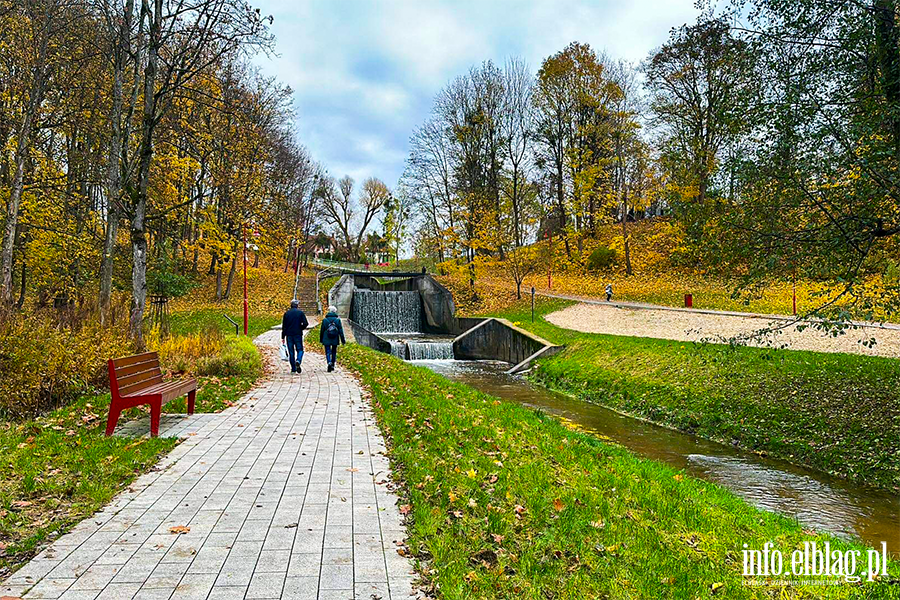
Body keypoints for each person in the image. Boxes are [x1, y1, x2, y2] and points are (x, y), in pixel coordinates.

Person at [282, 299, 309, 374]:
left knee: (291, 352)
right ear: (297, 305)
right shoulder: (300, 313)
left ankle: (293, 369)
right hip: (298, 334)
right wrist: (301, 328)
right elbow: (306, 323)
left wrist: (283, 337)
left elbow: (284, 326)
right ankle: (298, 360)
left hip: (289, 335)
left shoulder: (286, 313)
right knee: (300, 349)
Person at [320, 305, 346, 372]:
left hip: (326, 338)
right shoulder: (337, 320)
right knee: (334, 351)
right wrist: (343, 340)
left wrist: (321, 339)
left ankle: (329, 362)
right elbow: (340, 331)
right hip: (335, 337)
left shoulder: (325, 320)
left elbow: (322, 330)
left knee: (328, 351)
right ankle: (333, 365)